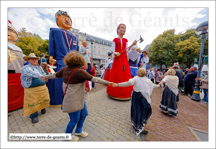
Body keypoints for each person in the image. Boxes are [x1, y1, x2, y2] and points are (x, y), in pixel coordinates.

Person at [42, 51, 113, 141]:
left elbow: (54, 75)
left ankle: (78, 131)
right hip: (73, 101)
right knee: (74, 120)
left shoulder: (64, 69)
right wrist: (109, 83)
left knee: (84, 114)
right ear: (80, 61)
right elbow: (95, 79)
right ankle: (68, 135)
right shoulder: (79, 72)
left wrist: (45, 77)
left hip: (78, 99)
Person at [47, 10, 79, 105]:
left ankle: (71, 99)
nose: (67, 20)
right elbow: (51, 45)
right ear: (57, 18)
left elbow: (77, 51)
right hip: (60, 62)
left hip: (72, 64)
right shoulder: (54, 31)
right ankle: (58, 100)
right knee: (59, 83)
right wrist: (51, 56)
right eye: (64, 18)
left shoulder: (75, 37)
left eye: (69, 19)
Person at [112, 68, 154, 135]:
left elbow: (128, 83)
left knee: (138, 110)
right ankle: (139, 126)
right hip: (141, 97)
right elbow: (152, 85)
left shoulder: (138, 79)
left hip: (138, 97)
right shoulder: (144, 79)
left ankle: (138, 124)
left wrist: (118, 84)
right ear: (144, 73)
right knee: (141, 110)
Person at [106, 23, 137, 100]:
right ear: (118, 30)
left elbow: (126, 50)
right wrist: (115, 52)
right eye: (122, 27)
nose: (124, 29)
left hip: (124, 58)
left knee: (125, 74)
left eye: (125, 28)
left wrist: (133, 44)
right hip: (117, 58)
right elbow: (112, 49)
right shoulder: (115, 40)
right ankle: (114, 92)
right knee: (116, 73)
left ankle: (126, 93)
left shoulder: (126, 40)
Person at [21, 53, 49, 123]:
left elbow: (44, 73)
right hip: (32, 89)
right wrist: (43, 77)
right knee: (33, 103)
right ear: (28, 60)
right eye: (32, 59)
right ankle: (34, 116)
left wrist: (45, 76)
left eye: (35, 59)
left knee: (43, 99)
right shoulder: (25, 68)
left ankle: (42, 107)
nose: (34, 60)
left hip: (42, 88)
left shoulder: (39, 67)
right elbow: (32, 73)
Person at [8, 20, 27, 112]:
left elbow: (24, 60)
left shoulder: (18, 49)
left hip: (17, 74)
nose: (7, 33)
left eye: (10, 31)